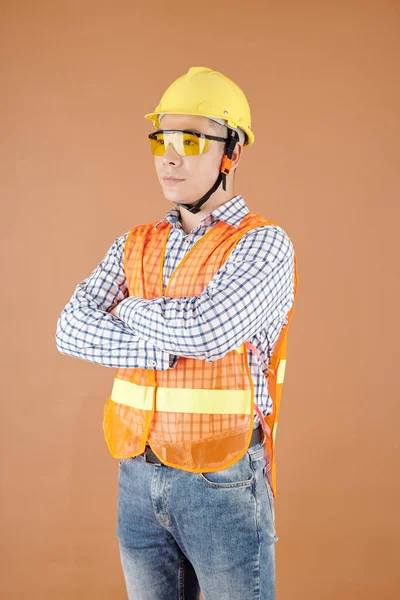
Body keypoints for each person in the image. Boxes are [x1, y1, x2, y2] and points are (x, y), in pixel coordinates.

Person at [56, 66, 298, 600]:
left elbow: (208, 333)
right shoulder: (135, 242)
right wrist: (162, 344)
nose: (169, 156)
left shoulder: (262, 245)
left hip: (222, 483)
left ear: (231, 152)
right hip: (136, 478)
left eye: (190, 140)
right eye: (161, 139)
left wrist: (132, 310)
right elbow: (70, 328)